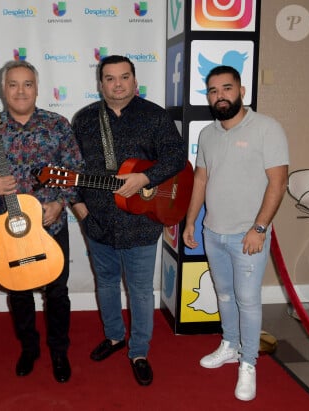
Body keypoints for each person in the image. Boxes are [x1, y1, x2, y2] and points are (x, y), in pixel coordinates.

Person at [71, 55, 186, 386]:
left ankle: (138, 351)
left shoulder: (154, 116)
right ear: (100, 83)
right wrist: (82, 213)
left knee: (139, 289)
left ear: (135, 81)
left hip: (143, 221)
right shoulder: (84, 120)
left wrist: (145, 178)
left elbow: (177, 157)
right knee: (105, 282)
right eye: (110, 78)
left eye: (124, 77)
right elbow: (71, 172)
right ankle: (114, 337)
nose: (117, 84)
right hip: (98, 220)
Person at [0, 60, 84, 383]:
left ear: (37, 87)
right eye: (13, 84)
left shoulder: (57, 124)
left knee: (57, 293)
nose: (21, 91)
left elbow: (75, 170)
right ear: (3, 90)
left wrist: (61, 203)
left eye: (27, 84)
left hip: (52, 224)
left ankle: (59, 351)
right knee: (19, 292)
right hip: (12, 229)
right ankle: (29, 348)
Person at [182, 65, 288, 401]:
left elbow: (278, 181)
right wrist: (190, 222)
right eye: (212, 91)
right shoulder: (208, 134)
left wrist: (259, 228)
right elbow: (200, 180)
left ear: (241, 90)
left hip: (249, 237)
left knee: (248, 300)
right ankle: (229, 344)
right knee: (224, 295)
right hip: (213, 233)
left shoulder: (266, 128)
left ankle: (248, 363)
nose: (219, 96)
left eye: (226, 88)